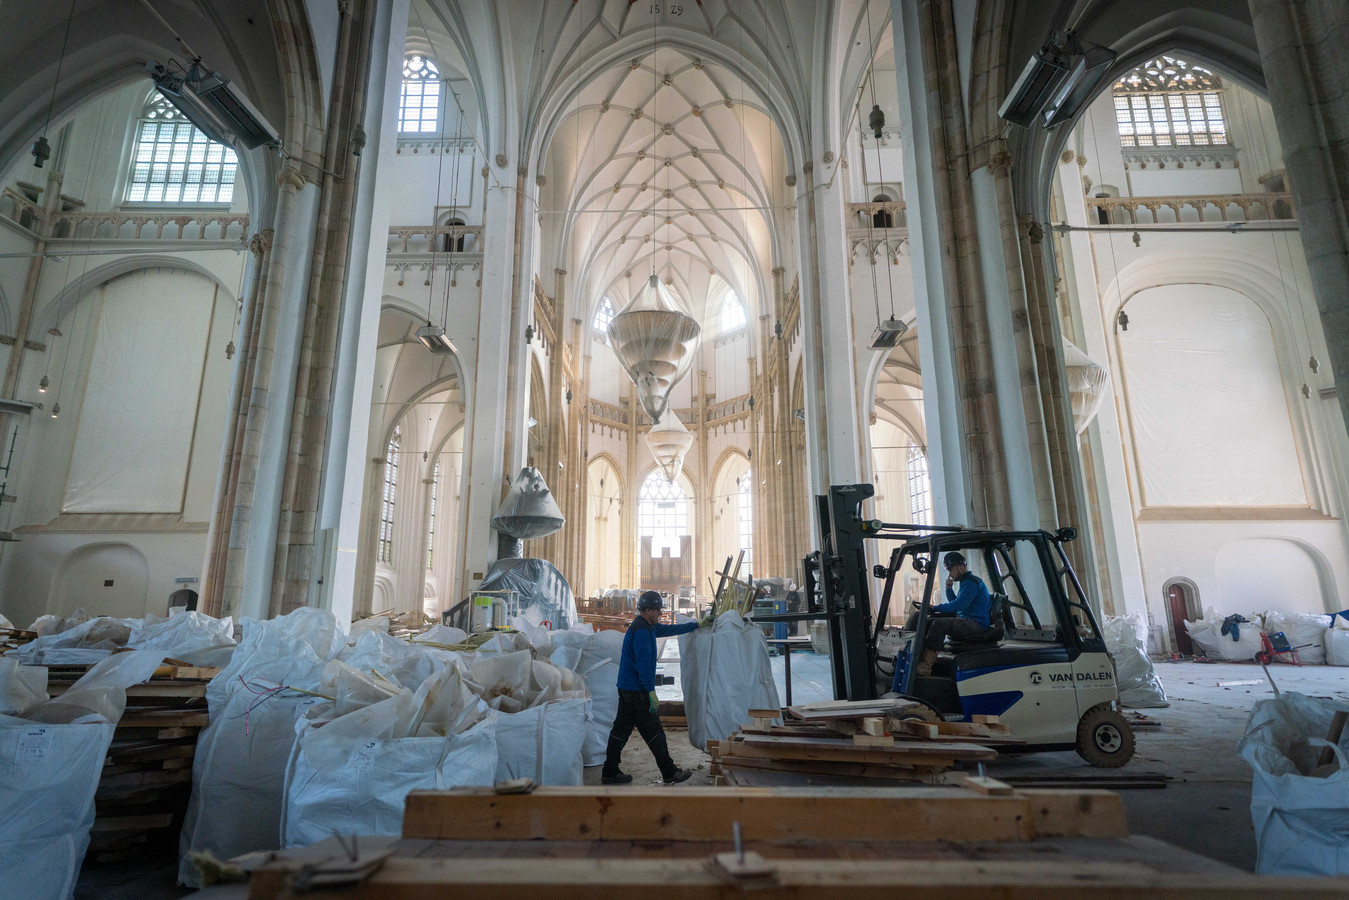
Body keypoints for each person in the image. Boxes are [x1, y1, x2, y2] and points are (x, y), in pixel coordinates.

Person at [602, 590, 712, 785]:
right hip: (637, 691)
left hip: (627, 688)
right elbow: (643, 665)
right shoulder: (642, 631)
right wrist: (650, 691)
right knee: (654, 732)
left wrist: (696, 625)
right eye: (658, 610)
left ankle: (609, 771)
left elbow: (669, 630)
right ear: (648, 610)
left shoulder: (647, 626)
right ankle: (669, 772)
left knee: (621, 730)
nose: (660, 614)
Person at [907, 551, 991, 676]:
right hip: (968, 619)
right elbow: (957, 604)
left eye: (951, 570)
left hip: (976, 623)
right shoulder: (966, 582)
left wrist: (936, 608)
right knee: (929, 621)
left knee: (939, 624)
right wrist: (948, 589)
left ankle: (926, 666)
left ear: (961, 567)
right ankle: (920, 657)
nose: (950, 574)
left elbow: (958, 605)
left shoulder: (971, 583)